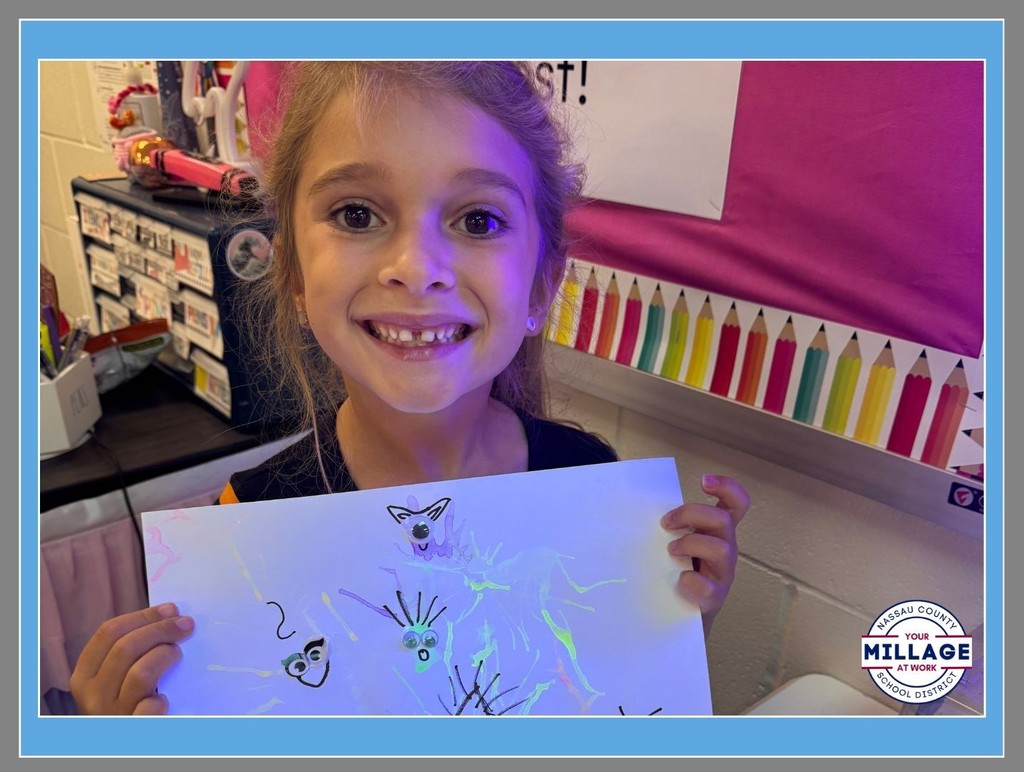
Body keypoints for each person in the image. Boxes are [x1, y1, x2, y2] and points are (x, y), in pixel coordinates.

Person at [69, 61, 750, 716]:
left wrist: (676, 621)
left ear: (541, 284)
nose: (417, 269)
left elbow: (612, 709)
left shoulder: (590, 485)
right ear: (298, 278)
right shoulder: (246, 523)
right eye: (358, 215)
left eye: (478, 220)